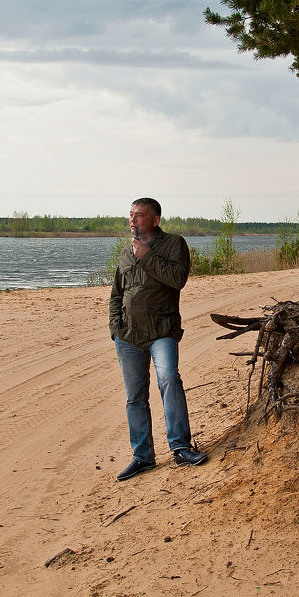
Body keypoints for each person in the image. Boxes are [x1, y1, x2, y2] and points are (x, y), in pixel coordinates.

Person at [109, 197, 208, 481]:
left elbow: (178, 279)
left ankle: (180, 448)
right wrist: (115, 327)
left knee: (169, 381)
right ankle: (142, 457)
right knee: (135, 397)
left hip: (162, 331)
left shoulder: (174, 244)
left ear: (155, 220)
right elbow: (117, 294)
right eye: (130, 215)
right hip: (128, 336)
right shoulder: (126, 252)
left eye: (138, 215)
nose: (132, 220)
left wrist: (146, 256)